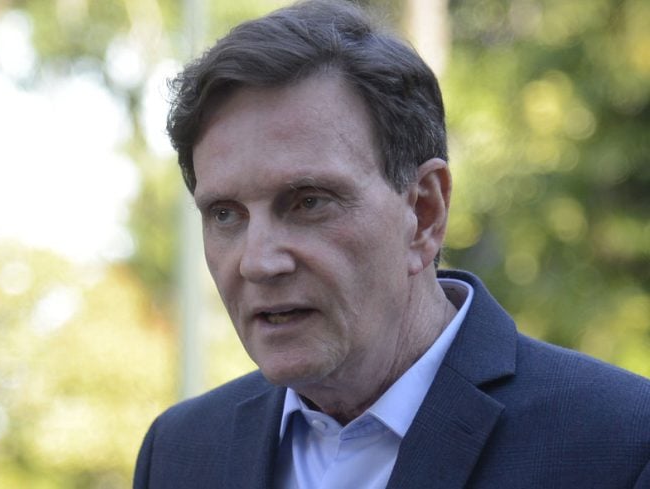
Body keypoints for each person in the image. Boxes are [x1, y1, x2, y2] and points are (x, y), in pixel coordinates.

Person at [133, 1, 650, 487]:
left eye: (308, 202)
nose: (259, 262)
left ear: (424, 212)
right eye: (225, 214)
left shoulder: (622, 444)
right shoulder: (179, 453)